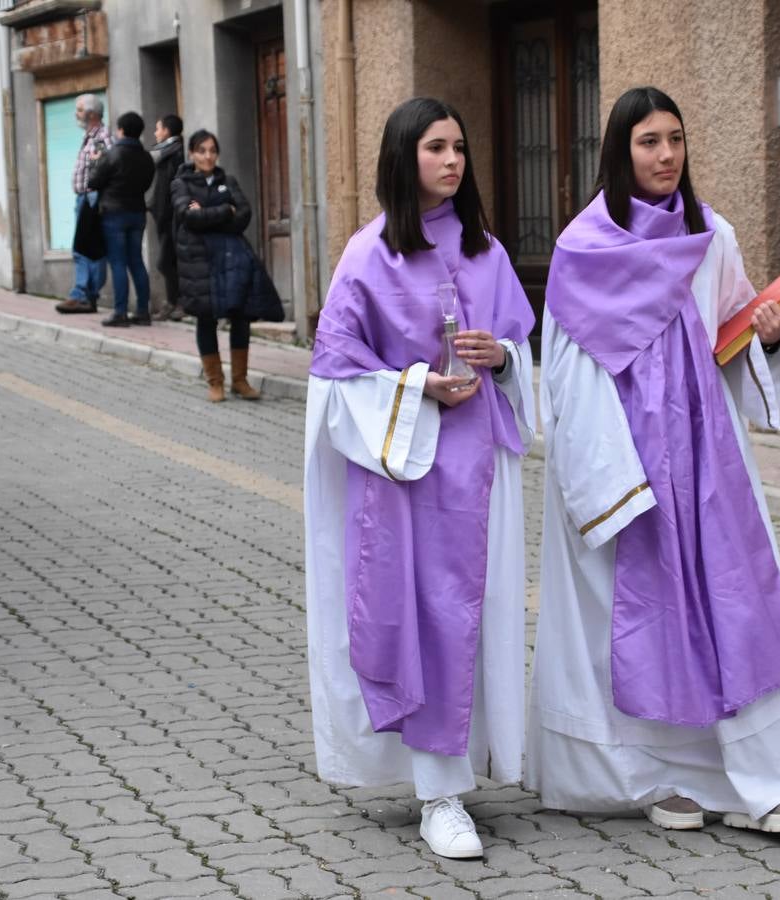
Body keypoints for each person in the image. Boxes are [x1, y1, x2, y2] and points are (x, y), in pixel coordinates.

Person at [528, 87, 780, 834]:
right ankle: (657, 778)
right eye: (648, 142)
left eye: (675, 140)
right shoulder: (584, 246)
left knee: (734, 599)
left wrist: (766, 334)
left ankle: (768, 780)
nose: (665, 156)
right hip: (621, 458)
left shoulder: (713, 234)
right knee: (630, 618)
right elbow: (564, 368)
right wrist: (599, 475)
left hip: (708, 459)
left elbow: (728, 338)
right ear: (620, 153)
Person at [303, 97, 535, 860]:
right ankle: (438, 796)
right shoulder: (368, 255)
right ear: (404, 158)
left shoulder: (486, 250)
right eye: (436, 147)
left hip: (480, 478)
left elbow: (522, 354)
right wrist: (411, 386)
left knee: (474, 618)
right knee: (422, 623)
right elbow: (334, 378)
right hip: (404, 474)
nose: (453, 160)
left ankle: (470, 771)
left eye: (460, 148)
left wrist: (500, 358)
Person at [170, 129, 283, 401]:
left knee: (241, 316)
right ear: (192, 153)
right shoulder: (181, 183)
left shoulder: (227, 180)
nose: (208, 156)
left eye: (212, 151)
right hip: (199, 262)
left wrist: (207, 214)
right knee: (206, 318)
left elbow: (244, 213)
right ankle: (215, 381)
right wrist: (224, 211)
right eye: (202, 151)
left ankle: (240, 380)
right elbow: (187, 216)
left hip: (231, 261)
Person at [89, 111, 157, 327]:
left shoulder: (113, 154)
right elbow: (147, 183)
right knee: (136, 260)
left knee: (118, 262)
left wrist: (96, 163)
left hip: (114, 214)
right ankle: (143, 311)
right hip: (137, 213)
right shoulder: (146, 157)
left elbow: (94, 181)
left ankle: (120, 312)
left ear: (121, 130)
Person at [56, 94, 113, 315]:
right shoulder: (90, 137)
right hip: (85, 198)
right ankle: (84, 295)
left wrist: (94, 196)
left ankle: (83, 295)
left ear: (91, 114)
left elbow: (104, 168)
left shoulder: (101, 138)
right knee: (86, 248)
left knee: (87, 249)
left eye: (79, 110)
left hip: (91, 198)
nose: (76, 114)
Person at [149, 113, 185, 321]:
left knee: (166, 261)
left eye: (158, 128)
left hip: (172, 215)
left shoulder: (174, 153)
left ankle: (178, 302)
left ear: (167, 131)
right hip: (162, 214)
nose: (155, 132)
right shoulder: (164, 153)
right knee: (168, 261)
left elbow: (175, 187)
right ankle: (174, 302)